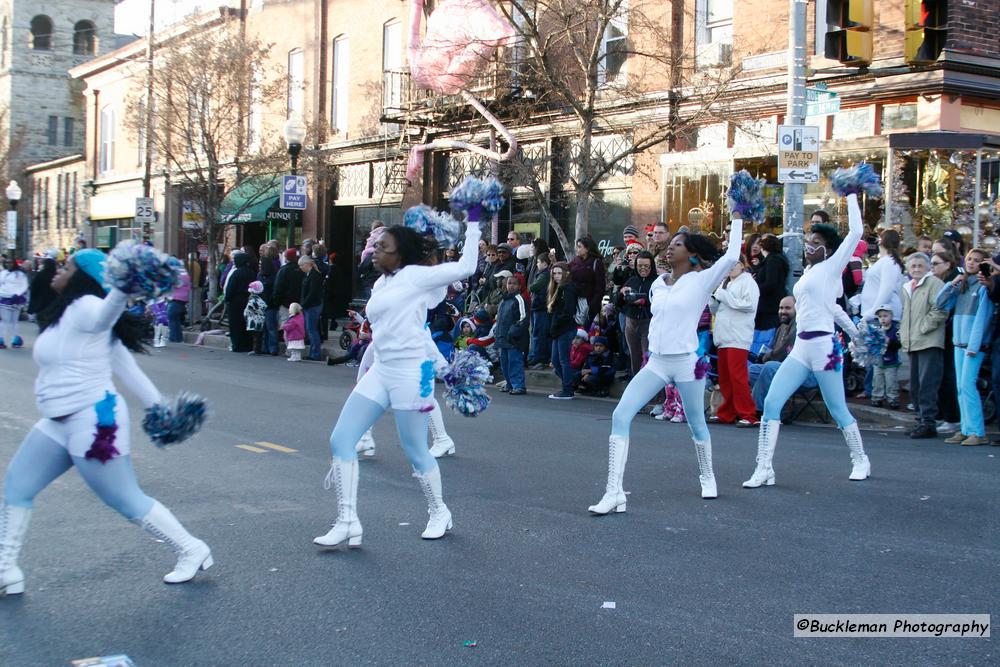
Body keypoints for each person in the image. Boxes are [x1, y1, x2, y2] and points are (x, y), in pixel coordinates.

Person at [0, 248, 212, 595]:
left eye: (66, 267)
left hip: (92, 421)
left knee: (126, 499)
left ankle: (191, 548)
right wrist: (161, 408)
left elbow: (104, 315)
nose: (57, 270)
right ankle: (6, 569)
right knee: (17, 487)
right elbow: (130, 370)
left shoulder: (87, 309)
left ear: (82, 277)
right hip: (57, 421)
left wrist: (124, 287)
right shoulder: (65, 313)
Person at [313, 205, 481, 549]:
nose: (376, 251)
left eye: (384, 247)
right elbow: (406, 329)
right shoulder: (380, 283)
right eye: (376, 246)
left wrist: (475, 222)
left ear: (401, 254)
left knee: (416, 450)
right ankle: (347, 522)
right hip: (383, 370)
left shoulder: (416, 277)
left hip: (410, 374)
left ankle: (439, 512)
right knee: (341, 440)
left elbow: (466, 267)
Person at [589, 215, 744, 512]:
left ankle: (708, 475)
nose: (670, 249)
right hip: (657, 363)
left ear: (692, 254)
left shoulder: (702, 280)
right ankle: (614, 493)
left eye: (677, 245)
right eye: (669, 244)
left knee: (697, 423)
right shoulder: (658, 283)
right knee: (621, 415)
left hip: (686, 363)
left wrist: (737, 217)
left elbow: (732, 255)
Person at [744, 189, 869, 489]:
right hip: (801, 347)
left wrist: (851, 194)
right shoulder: (812, 273)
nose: (809, 246)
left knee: (837, 409)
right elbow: (832, 308)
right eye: (809, 242)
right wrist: (854, 333)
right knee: (772, 402)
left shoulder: (832, 267)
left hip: (825, 348)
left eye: (816, 243)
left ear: (828, 249)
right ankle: (764, 468)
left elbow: (857, 231)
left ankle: (860, 459)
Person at [935, 248, 994, 446]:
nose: (971, 263)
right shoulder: (962, 284)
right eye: (969, 259)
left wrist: (975, 345)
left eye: (977, 260)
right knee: (960, 386)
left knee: (968, 385)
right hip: (959, 342)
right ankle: (966, 428)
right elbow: (940, 303)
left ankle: (977, 431)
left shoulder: (983, 287)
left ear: (983, 264)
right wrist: (952, 284)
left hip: (972, 345)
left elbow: (982, 318)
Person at [899, 252, 948, 439]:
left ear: (928, 268)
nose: (917, 269)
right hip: (913, 341)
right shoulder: (908, 287)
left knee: (927, 383)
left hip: (928, 340)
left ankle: (928, 421)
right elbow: (907, 314)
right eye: (913, 266)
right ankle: (921, 420)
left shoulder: (934, 284)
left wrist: (924, 327)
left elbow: (941, 309)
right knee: (916, 384)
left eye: (920, 266)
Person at [710, 256, 760, 426]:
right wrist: (713, 300)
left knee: (738, 378)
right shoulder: (726, 283)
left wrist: (724, 296)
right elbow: (718, 310)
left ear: (742, 265)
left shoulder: (748, 282)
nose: (730, 268)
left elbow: (749, 305)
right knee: (725, 378)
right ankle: (728, 412)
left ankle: (748, 414)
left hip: (738, 337)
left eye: (735, 264)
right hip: (723, 337)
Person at [747, 296, 817, 411]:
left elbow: (783, 352)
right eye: (781, 308)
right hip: (783, 369)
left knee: (770, 367)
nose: (783, 311)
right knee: (753, 370)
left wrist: (765, 358)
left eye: (787, 308)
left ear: (797, 309)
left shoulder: (799, 326)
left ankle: (757, 409)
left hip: (803, 373)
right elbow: (772, 350)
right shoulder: (781, 328)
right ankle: (777, 407)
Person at [929, 250, 962, 432]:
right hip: (942, 332)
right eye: (931, 263)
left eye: (936, 264)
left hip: (952, 333)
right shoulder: (936, 282)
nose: (931, 267)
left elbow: (942, 304)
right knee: (940, 374)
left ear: (948, 264)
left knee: (948, 375)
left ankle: (953, 417)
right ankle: (943, 413)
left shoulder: (955, 282)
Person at [547, 262, 580, 400]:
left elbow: (568, 311)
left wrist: (556, 324)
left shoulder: (568, 288)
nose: (556, 276)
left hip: (565, 328)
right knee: (556, 360)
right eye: (554, 273)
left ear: (566, 273)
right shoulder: (557, 288)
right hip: (559, 329)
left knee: (563, 360)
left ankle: (567, 388)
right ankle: (570, 383)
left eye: (559, 273)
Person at [621, 250, 655, 378]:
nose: (643, 269)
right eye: (640, 266)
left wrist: (644, 301)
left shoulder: (656, 281)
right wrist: (623, 293)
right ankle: (637, 388)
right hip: (631, 321)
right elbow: (618, 304)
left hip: (648, 322)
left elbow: (660, 302)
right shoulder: (632, 280)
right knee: (634, 357)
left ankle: (653, 394)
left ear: (652, 266)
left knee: (648, 357)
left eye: (646, 266)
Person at [495, 274, 528, 395]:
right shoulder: (504, 300)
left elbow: (523, 318)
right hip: (502, 337)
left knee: (514, 361)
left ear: (519, 286)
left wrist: (513, 332)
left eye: (514, 284)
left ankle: (518, 385)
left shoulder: (519, 299)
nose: (511, 286)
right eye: (509, 283)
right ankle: (509, 383)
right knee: (504, 362)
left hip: (513, 339)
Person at [752, 234, 789, 334]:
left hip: (769, 308)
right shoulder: (773, 259)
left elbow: (770, 283)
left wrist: (754, 288)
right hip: (769, 307)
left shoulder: (773, 260)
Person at [868, 306, 902, 409]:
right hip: (878, 361)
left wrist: (889, 342)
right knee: (877, 380)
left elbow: (899, 344)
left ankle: (893, 399)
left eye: (885, 316)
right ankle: (877, 398)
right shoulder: (876, 330)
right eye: (880, 317)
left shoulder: (895, 329)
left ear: (891, 316)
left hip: (891, 361)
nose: (882, 319)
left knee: (891, 381)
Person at [569, 237, 607, 324]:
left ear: (587, 249)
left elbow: (600, 287)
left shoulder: (596, 263)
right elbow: (566, 270)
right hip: (574, 301)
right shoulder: (575, 260)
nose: (577, 249)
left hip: (588, 302)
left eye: (579, 246)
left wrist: (592, 305)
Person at [224, 252, 254, 353]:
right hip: (248, 300)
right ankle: (248, 345)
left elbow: (230, 288)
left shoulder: (236, 273)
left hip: (235, 302)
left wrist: (227, 299)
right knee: (246, 324)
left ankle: (237, 345)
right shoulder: (252, 272)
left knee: (235, 324)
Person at [526, 252, 551, 369]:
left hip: (540, 307)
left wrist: (529, 288)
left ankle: (538, 356)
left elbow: (534, 287)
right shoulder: (540, 274)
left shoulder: (544, 275)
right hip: (536, 306)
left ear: (545, 263)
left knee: (538, 332)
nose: (537, 264)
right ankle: (534, 355)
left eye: (538, 262)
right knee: (535, 332)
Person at [299, 255, 325, 361]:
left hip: (313, 305)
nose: (300, 267)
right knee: (310, 329)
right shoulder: (309, 275)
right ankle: (313, 352)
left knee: (312, 329)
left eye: (301, 265)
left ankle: (315, 353)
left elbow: (312, 293)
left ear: (307, 264)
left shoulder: (315, 276)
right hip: (310, 305)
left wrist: (303, 304)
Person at [0, 257, 29, 349]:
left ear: (14, 263)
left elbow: (24, 285)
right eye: (7, 262)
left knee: (14, 321)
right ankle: (2, 339)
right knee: (5, 321)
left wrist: (18, 294)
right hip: (4, 298)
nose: (9, 264)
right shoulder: (3, 273)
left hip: (15, 299)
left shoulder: (20, 274)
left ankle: (15, 340)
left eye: (11, 262)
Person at [257, 246, 279, 355]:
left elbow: (274, 290)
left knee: (271, 327)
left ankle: (273, 348)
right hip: (262, 303)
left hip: (270, 304)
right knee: (264, 328)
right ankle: (265, 347)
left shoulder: (272, 276)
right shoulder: (260, 275)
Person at [274, 248, 304, 326]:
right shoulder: (302, 270)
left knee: (286, 323)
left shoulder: (283, 270)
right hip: (299, 302)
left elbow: (278, 287)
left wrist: (277, 301)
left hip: (285, 303)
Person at [27, 257, 58, 321]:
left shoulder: (41, 274)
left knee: (41, 320)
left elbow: (34, 287)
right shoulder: (56, 274)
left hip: (41, 302)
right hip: (53, 301)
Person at [166, 265, 190, 344]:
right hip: (179, 300)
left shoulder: (182, 277)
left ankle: (174, 338)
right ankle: (176, 338)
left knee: (172, 318)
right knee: (175, 320)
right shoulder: (185, 276)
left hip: (177, 299)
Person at [244, 281, 268, 356]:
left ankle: (256, 350)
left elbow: (248, 310)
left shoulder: (252, 300)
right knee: (259, 336)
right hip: (261, 319)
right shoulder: (261, 300)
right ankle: (258, 349)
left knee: (255, 336)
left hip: (253, 320)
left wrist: (245, 315)